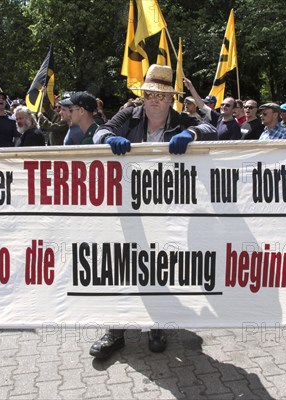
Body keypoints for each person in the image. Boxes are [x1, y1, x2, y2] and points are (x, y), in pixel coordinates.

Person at [90, 64, 216, 359]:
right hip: (126, 203)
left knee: (159, 263)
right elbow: (100, 132)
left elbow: (214, 126)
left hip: (165, 205)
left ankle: (157, 323)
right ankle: (115, 330)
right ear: (143, 95)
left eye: (161, 95)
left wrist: (192, 135)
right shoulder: (128, 116)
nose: (154, 99)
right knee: (119, 263)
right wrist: (110, 140)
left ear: (171, 98)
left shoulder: (180, 120)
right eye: (149, 94)